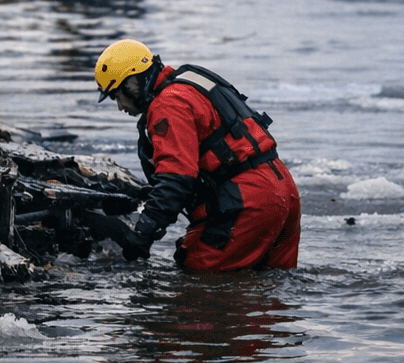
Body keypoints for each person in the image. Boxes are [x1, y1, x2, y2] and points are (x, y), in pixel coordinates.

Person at [87, 39, 300, 272]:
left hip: (248, 200)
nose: (119, 106)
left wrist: (142, 233)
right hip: (282, 187)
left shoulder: (168, 105)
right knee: (270, 284)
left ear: (131, 82)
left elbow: (176, 178)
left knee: (196, 278)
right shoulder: (188, 83)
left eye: (116, 95)